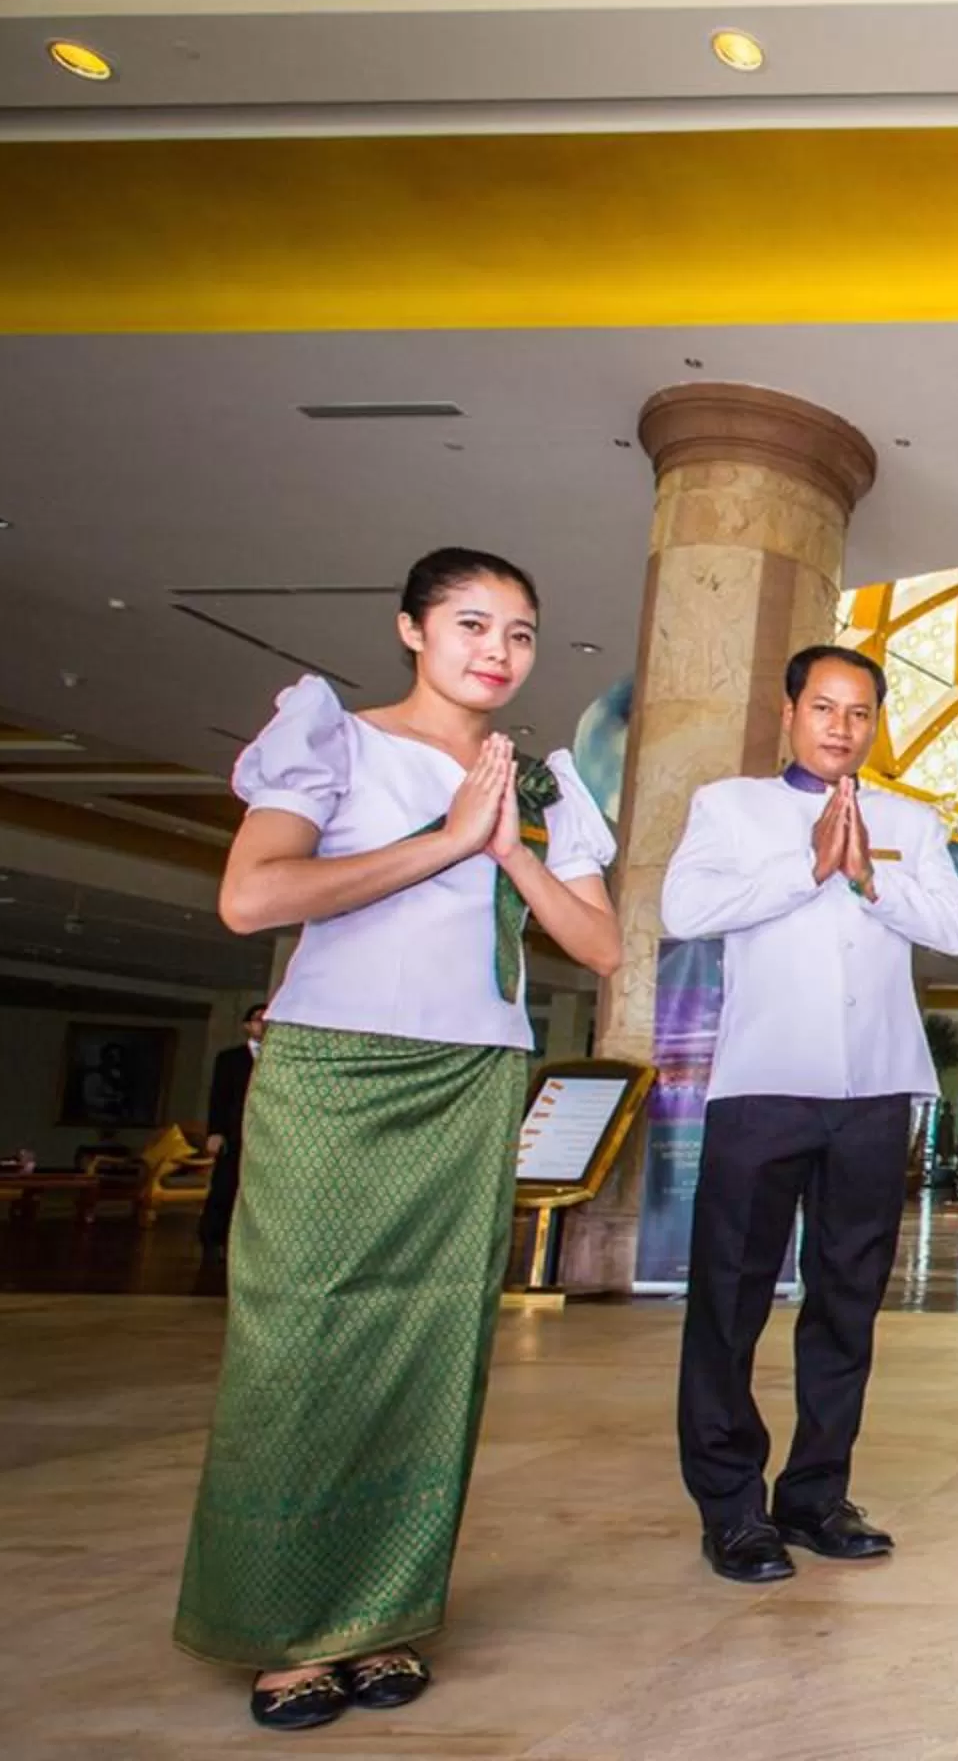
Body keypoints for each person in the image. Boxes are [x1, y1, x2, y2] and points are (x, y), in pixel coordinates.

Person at [178, 548, 621, 1731]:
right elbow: (253, 898)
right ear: (411, 630)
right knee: (302, 1338)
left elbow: (603, 948)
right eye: (472, 622)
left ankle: (380, 1619)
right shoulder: (334, 739)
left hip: (475, 1073)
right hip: (338, 1066)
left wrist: (508, 842)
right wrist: (443, 838)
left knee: (432, 1342)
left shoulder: (538, 783)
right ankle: (283, 1634)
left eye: (521, 632)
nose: (498, 649)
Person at [664, 644, 958, 1585]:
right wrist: (809, 870)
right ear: (790, 711)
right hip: (764, 1087)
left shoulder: (911, 823)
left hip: (877, 1091)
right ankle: (732, 1508)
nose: (843, 727)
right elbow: (684, 908)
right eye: (826, 708)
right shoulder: (730, 806)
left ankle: (815, 1495)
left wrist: (871, 879)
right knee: (731, 1301)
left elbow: (956, 929)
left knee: (847, 1304)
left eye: (862, 713)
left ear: (877, 723)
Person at [196, 1003, 269, 1263]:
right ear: (247, 1025)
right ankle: (212, 1239)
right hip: (234, 1133)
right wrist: (215, 1132)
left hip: (266, 1136)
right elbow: (219, 1097)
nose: (264, 1024)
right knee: (225, 1187)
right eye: (259, 1019)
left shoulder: (279, 1060)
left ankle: (246, 1247)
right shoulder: (230, 1058)